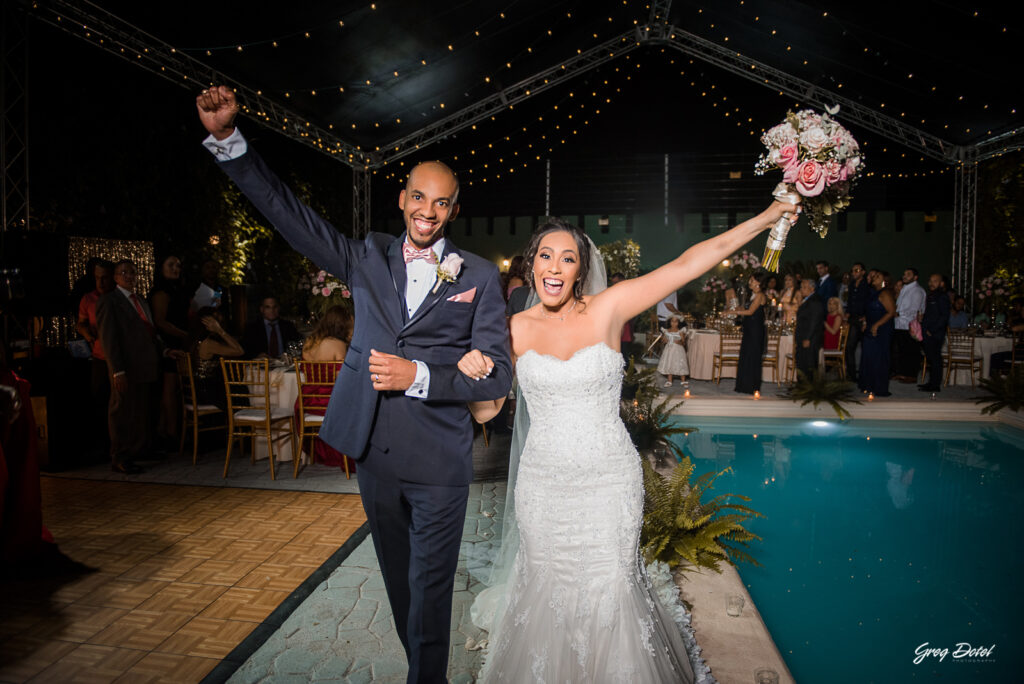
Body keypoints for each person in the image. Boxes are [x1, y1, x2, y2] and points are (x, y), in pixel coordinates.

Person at [196, 85, 512, 682]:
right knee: (400, 582)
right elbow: (292, 217)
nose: (428, 211)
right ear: (402, 198)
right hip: (377, 455)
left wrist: (419, 374)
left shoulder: (477, 277)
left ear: (452, 210)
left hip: (442, 460)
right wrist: (228, 143)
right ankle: (423, 662)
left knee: (432, 584)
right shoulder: (367, 255)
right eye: (419, 196)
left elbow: (496, 371)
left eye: (441, 203)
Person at [455, 199, 797, 682]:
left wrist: (767, 218)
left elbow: (687, 264)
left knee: (612, 585)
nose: (555, 268)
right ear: (530, 264)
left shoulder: (610, 307)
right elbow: (487, 411)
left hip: (608, 482)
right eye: (546, 256)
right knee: (547, 586)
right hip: (544, 486)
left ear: (581, 269)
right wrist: (471, 377)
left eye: (567, 258)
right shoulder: (511, 331)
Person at [96, 260, 166, 475]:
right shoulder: (110, 301)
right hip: (124, 368)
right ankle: (120, 456)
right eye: (123, 272)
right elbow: (109, 339)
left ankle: (139, 449)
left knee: (140, 411)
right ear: (115, 277)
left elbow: (150, 333)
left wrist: (164, 351)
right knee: (122, 412)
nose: (129, 276)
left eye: (132, 273)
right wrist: (117, 370)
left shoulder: (141, 301)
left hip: (145, 365)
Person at [298, 305, 355, 470]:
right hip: (329, 403)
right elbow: (344, 379)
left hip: (307, 402)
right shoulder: (337, 344)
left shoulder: (310, 342)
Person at [149, 255, 190, 445]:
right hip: (168, 343)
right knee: (170, 388)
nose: (176, 269)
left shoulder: (176, 290)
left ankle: (169, 431)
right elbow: (160, 322)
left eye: (178, 265)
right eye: (170, 265)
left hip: (178, 340)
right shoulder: (161, 292)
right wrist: (183, 335)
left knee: (174, 389)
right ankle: (170, 433)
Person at [189, 307, 244, 410]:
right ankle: (245, 424)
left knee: (238, 389)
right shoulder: (208, 343)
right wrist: (220, 331)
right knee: (242, 393)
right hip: (207, 392)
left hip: (198, 390)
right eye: (215, 319)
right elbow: (239, 351)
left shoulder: (195, 339)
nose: (220, 320)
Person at [728, 270, 768, 394]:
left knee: (753, 356)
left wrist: (733, 312)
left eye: (752, 280)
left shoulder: (760, 295)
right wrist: (735, 308)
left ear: (758, 282)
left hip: (756, 331)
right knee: (746, 356)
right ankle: (743, 385)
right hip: (749, 329)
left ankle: (751, 386)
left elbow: (750, 312)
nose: (749, 282)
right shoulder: (752, 294)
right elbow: (745, 308)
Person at [858, 270, 897, 397]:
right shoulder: (873, 293)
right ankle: (868, 385)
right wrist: (865, 322)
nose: (874, 277)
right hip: (871, 327)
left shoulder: (885, 293)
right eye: (873, 276)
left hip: (881, 329)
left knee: (879, 358)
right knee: (869, 357)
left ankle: (879, 387)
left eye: (878, 276)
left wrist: (876, 325)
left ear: (884, 280)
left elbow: (891, 312)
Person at [893, 268, 926, 383]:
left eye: (908, 274)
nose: (905, 276)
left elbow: (915, 309)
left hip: (910, 325)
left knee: (911, 350)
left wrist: (899, 313)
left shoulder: (917, 290)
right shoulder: (904, 289)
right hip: (899, 324)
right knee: (902, 350)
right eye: (904, 274)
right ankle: (902, 373)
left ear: (915, 277)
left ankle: (911, 375)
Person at [919, 274, 950, 392]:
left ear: (941, 283)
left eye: (935, 281)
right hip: (927, 331)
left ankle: (935, 385)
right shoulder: (932, 295)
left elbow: (944, 317)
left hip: (934, 333)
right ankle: (931, 382)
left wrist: (932, 330)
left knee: (935, 359)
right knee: (931, 358)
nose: (931, 283)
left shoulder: (942, 297)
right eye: (930, 281)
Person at [794, 277, 825, 379]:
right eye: (801, 287)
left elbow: (814, 321)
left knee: (808, 363)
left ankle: (808, 386)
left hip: (810, 338)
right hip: (803, 336)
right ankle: (802, 386)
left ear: (812, 288)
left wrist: (808, 338)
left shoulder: (815, 301)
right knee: (802, 362)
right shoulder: (807, 300)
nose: (801, 289)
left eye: (804, 287)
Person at [845, 262, 871, 380]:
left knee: (865, 347)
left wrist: (866, 316)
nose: (854, 273)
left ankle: (864, 373)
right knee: (849, 346)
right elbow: (850, 301)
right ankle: (851, 374)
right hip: (853, 318)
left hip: (863, 318)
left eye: (857, 270)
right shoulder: (851, 285)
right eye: (853, 270)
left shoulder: (867, 285)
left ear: (863, 272)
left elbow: (868, 302)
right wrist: (847, 313)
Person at [657, 316, 689, 387]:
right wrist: (664, 340)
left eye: (676, 321)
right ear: (670, 322)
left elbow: (683, 343)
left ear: (678, 323)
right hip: (669, 350)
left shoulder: (680, 331)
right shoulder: (667, 331)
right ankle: (669, 380)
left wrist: (679, 342)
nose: (674, 323)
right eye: (672, 321)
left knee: (680, 363)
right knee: (669, 363)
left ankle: (683, 380)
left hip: (678, 350)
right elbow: (663, 341)